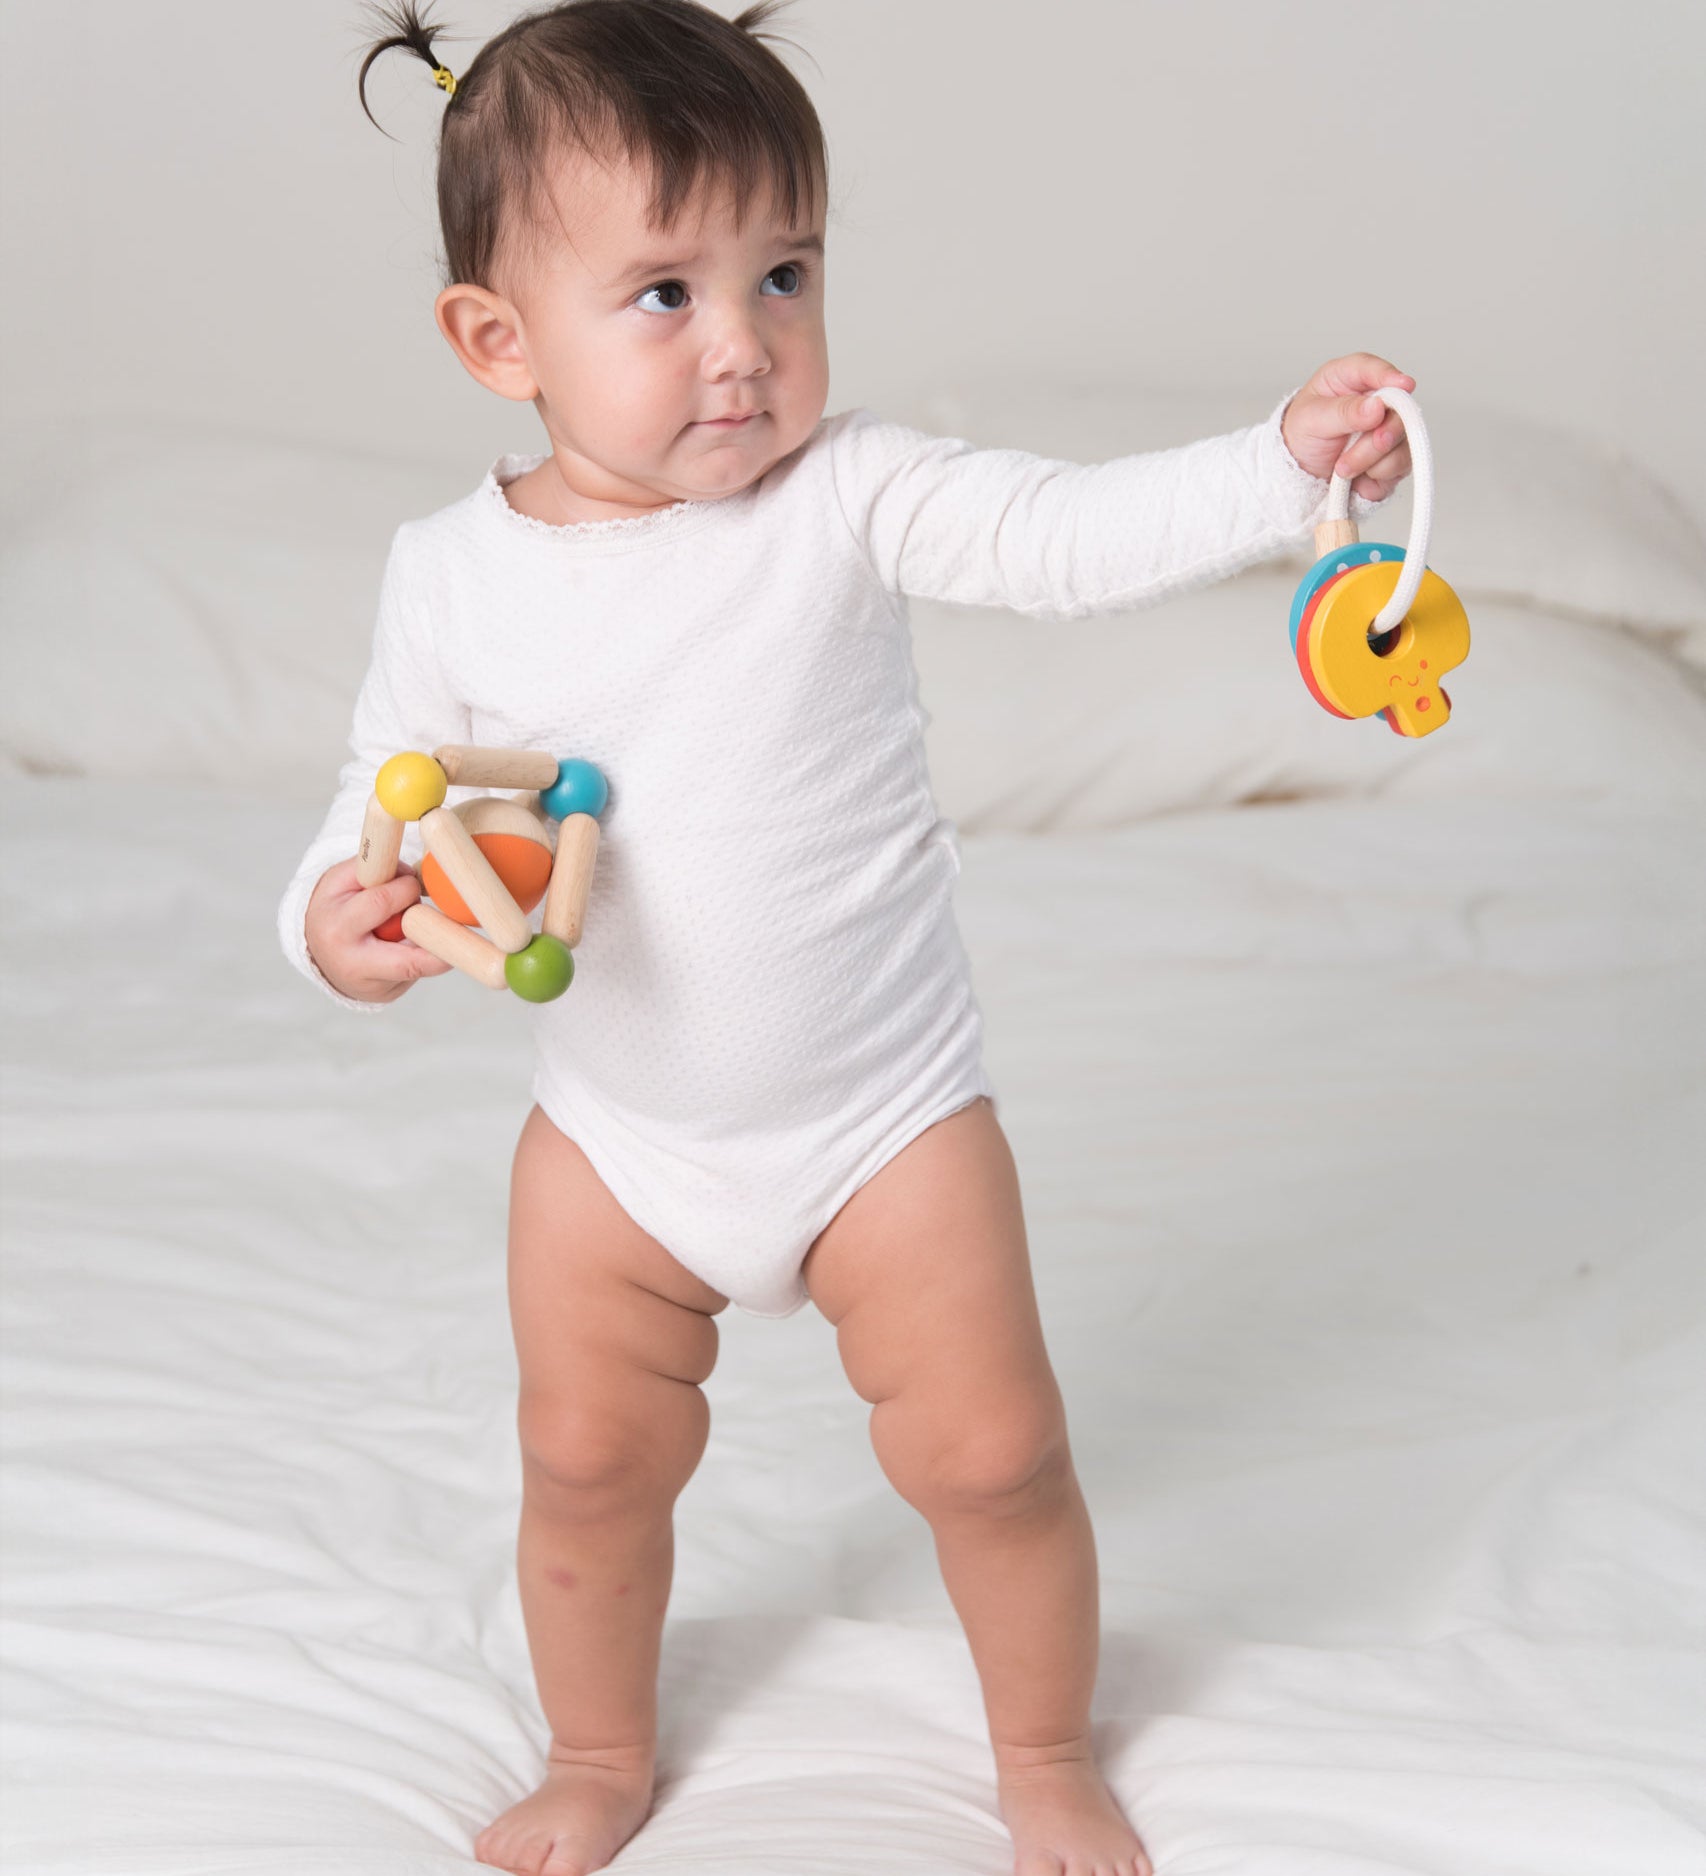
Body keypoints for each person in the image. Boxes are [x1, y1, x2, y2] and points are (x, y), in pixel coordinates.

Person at [276, 3, 1413, 1870]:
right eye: (663, 295)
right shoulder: (449, 576)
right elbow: (380, 792)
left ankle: (1041, 1754)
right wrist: (337, 923)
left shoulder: (851, 494)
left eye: (783, 272)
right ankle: (591, 1753)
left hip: (882, 1120)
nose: (744, 348)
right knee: (582, 1464)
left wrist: (1282, 466)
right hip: (618, 1141)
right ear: (498, 341)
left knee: (992, 1459)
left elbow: (1069, 537)